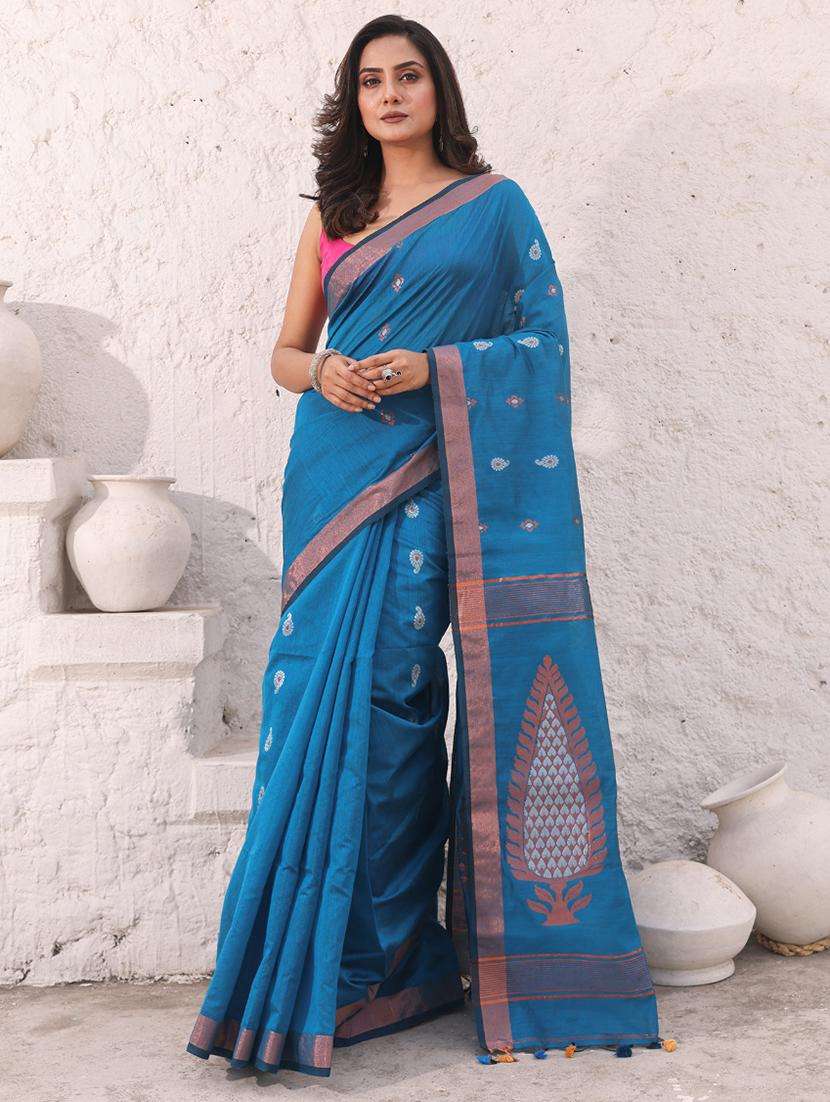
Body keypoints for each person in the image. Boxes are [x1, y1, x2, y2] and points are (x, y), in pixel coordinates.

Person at [186, 13, 672, 1079]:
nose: (390, 94)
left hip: (427, 476)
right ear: (353, 101)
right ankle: (316, 970)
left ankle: (399, 963)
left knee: (397, 703)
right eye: (371, 81)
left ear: (438, 90)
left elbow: (542, 344)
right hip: (331, 477)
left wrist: (432, 368)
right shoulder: (332, 216)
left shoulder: (494, 207)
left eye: (408, 76)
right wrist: (321, 372)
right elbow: (285, 351)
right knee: (313, 703)